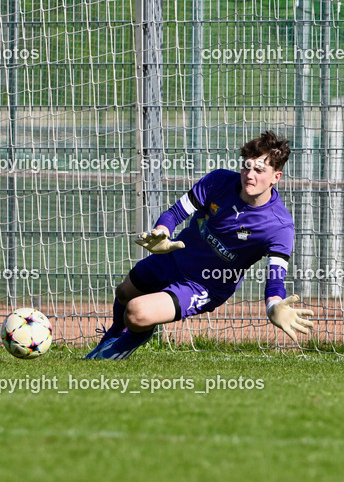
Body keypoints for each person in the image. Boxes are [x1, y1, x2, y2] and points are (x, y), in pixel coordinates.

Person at [87, 130, 313, 359]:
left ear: (276, 177)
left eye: (259, 170)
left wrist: (273, 307)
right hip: (174, 259)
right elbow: (175, 213)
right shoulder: (219, 182)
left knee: (136, 313)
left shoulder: (279, 226)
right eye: (246, 166)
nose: (249, 175)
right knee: (124, 292)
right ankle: (111, 338)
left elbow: (275, 279)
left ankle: (127, 342)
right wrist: (162, 233)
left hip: (204, 285)